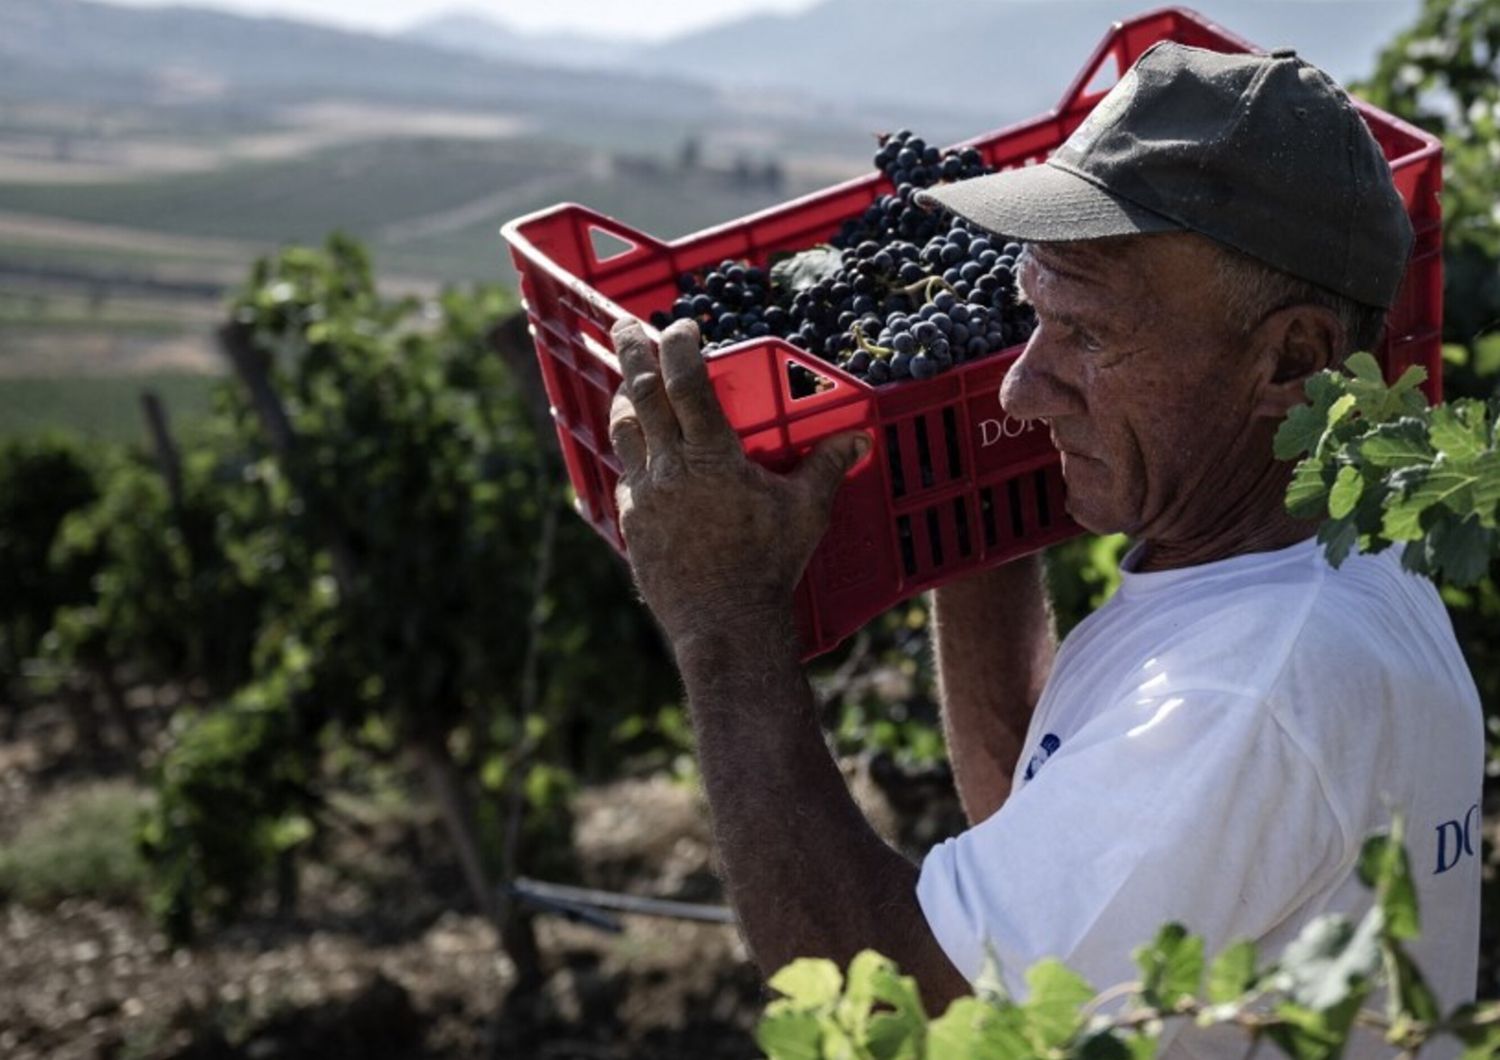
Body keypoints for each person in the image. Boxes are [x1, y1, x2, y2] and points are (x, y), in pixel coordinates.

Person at [604, 41, 1483, 1055]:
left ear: (1292, 360)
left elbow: (922, 1013)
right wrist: (974, 532)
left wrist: (724, 621)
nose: (1019, 387)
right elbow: (1064, 835)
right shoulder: (1299, 575)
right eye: (1034, 315)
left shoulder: (1252, 688)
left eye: (1087, 334)